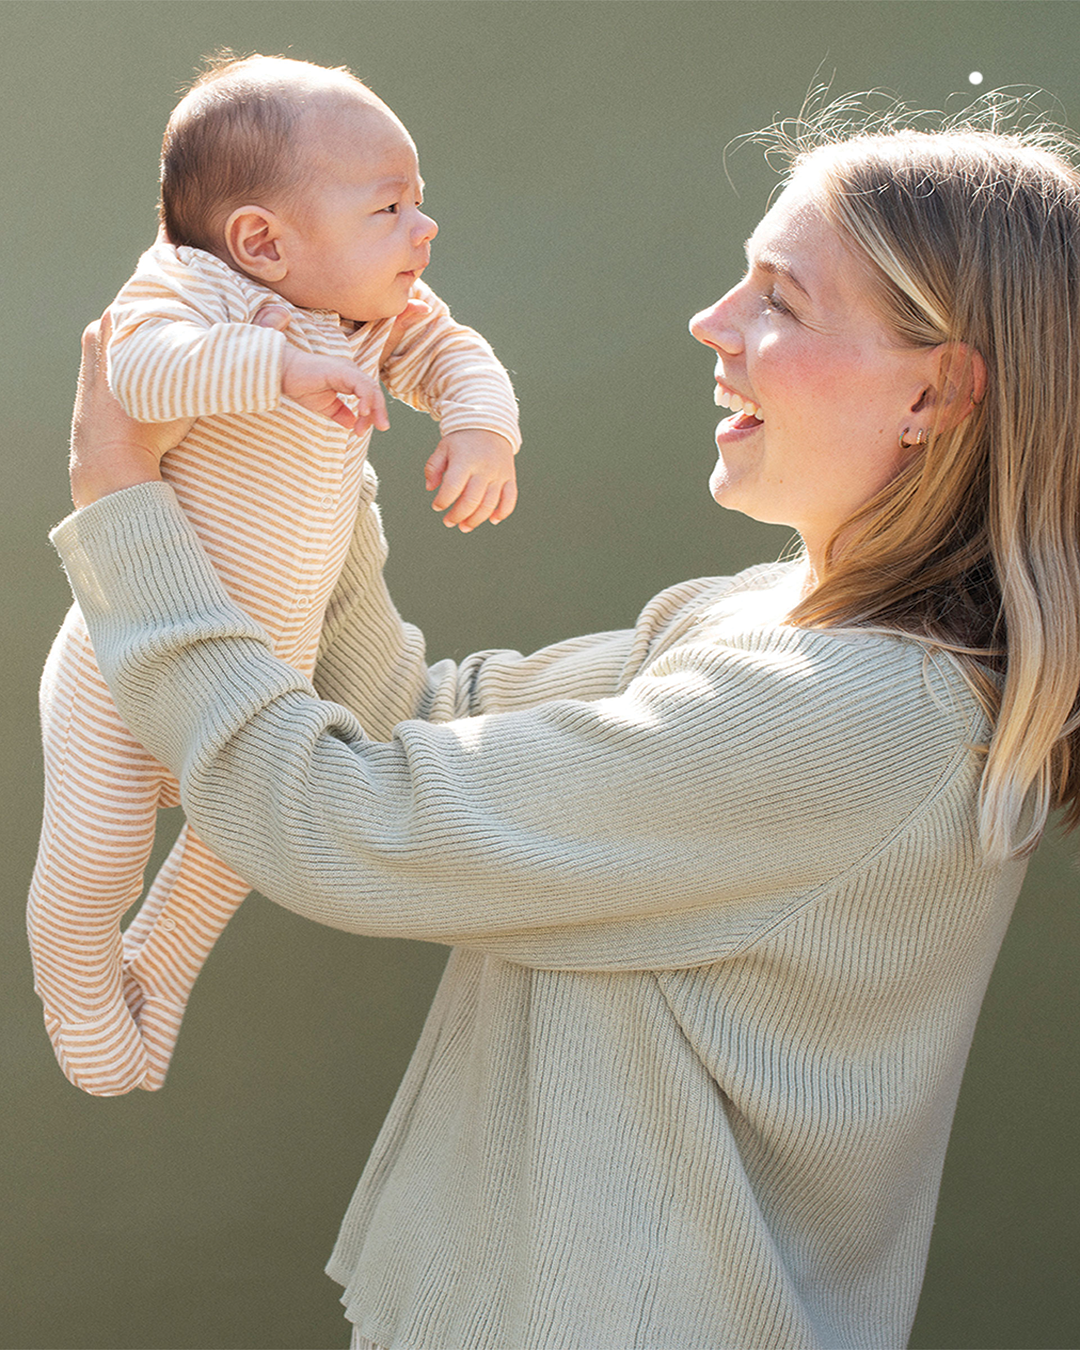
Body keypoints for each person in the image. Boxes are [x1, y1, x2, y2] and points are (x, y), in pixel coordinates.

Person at [48, 104, 1080, 1350]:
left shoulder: (854, 716)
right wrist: (302, 471)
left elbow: (339, 821)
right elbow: (415, 720)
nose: (714, 324)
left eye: (783, 301)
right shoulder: (777, 619)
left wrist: (125, 506)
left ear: (937, 393)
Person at [27, 54, 521, 1097]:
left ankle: (151, 982)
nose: (424, 231)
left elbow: (458, 354)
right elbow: (137, 368)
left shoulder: (379, 316)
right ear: (261, 241)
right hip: (127, 661)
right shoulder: (190, 285)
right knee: (101, 858)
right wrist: (284, 369)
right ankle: (76, 987)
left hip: (266, 675)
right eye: (390, 206)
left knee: (247, 839)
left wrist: (480, 429)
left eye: (418, 202)